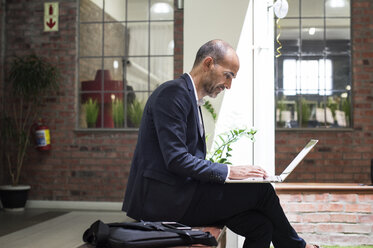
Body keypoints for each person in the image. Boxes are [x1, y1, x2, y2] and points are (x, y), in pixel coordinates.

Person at [122, 39, 320, 248]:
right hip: (163, 202)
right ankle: (296, 247)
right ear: (208, 63)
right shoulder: (172, 94)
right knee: (262, 191)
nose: (229, 85)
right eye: (228, 75)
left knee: (260, 226)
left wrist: (232, 179)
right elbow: (177, 159)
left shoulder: (189, 98)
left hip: (182, 195)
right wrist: (230, 172)